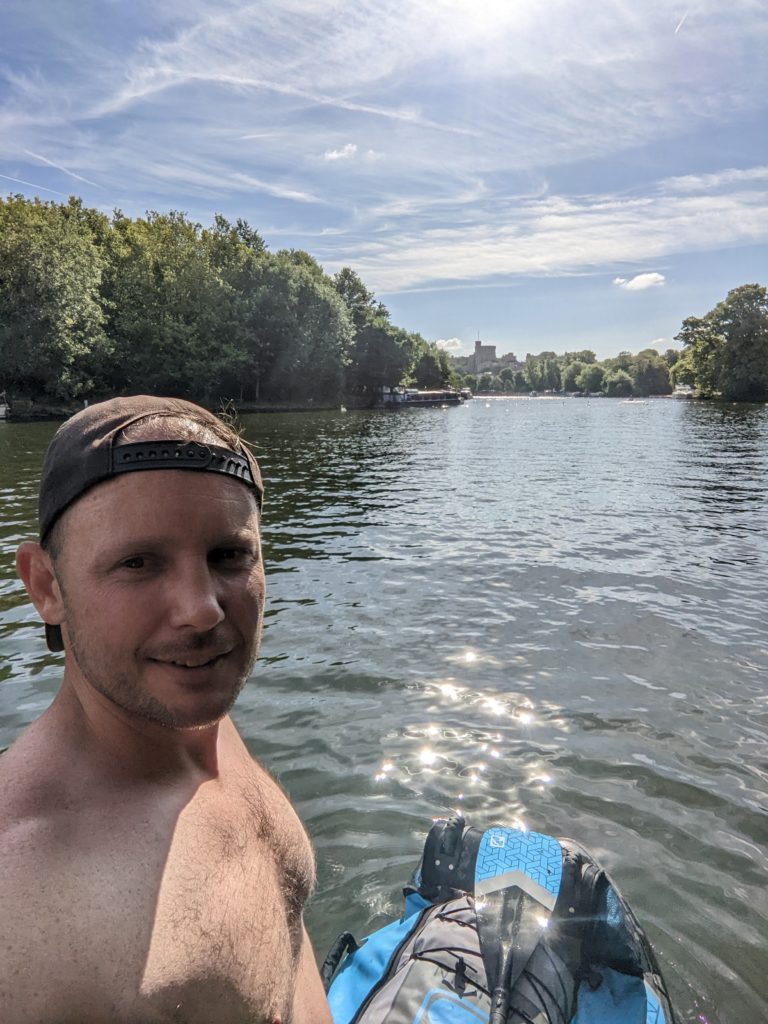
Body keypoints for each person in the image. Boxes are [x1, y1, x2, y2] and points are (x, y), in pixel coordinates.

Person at [0, 396, 333, 1024]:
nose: (203, 609)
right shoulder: (25, 904)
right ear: (46, 586)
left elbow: (285, 947)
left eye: (228, 556)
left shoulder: (193, 720)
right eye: (137, 563)